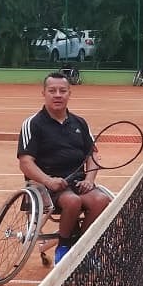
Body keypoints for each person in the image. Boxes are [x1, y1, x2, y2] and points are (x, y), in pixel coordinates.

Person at [17, 72, 112, 264]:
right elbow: (25, 162)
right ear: (43, 93)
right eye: (52, 91)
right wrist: (48, 180)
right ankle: (63, 247)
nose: (57, 95)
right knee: (72, 202)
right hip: (43, 185)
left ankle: (82, 248)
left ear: (70, 93)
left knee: (102, 200)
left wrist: (89, 180)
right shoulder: (33, 124)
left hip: (76, 182)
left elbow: (92, 155)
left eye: (62, 91)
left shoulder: (80, 123)